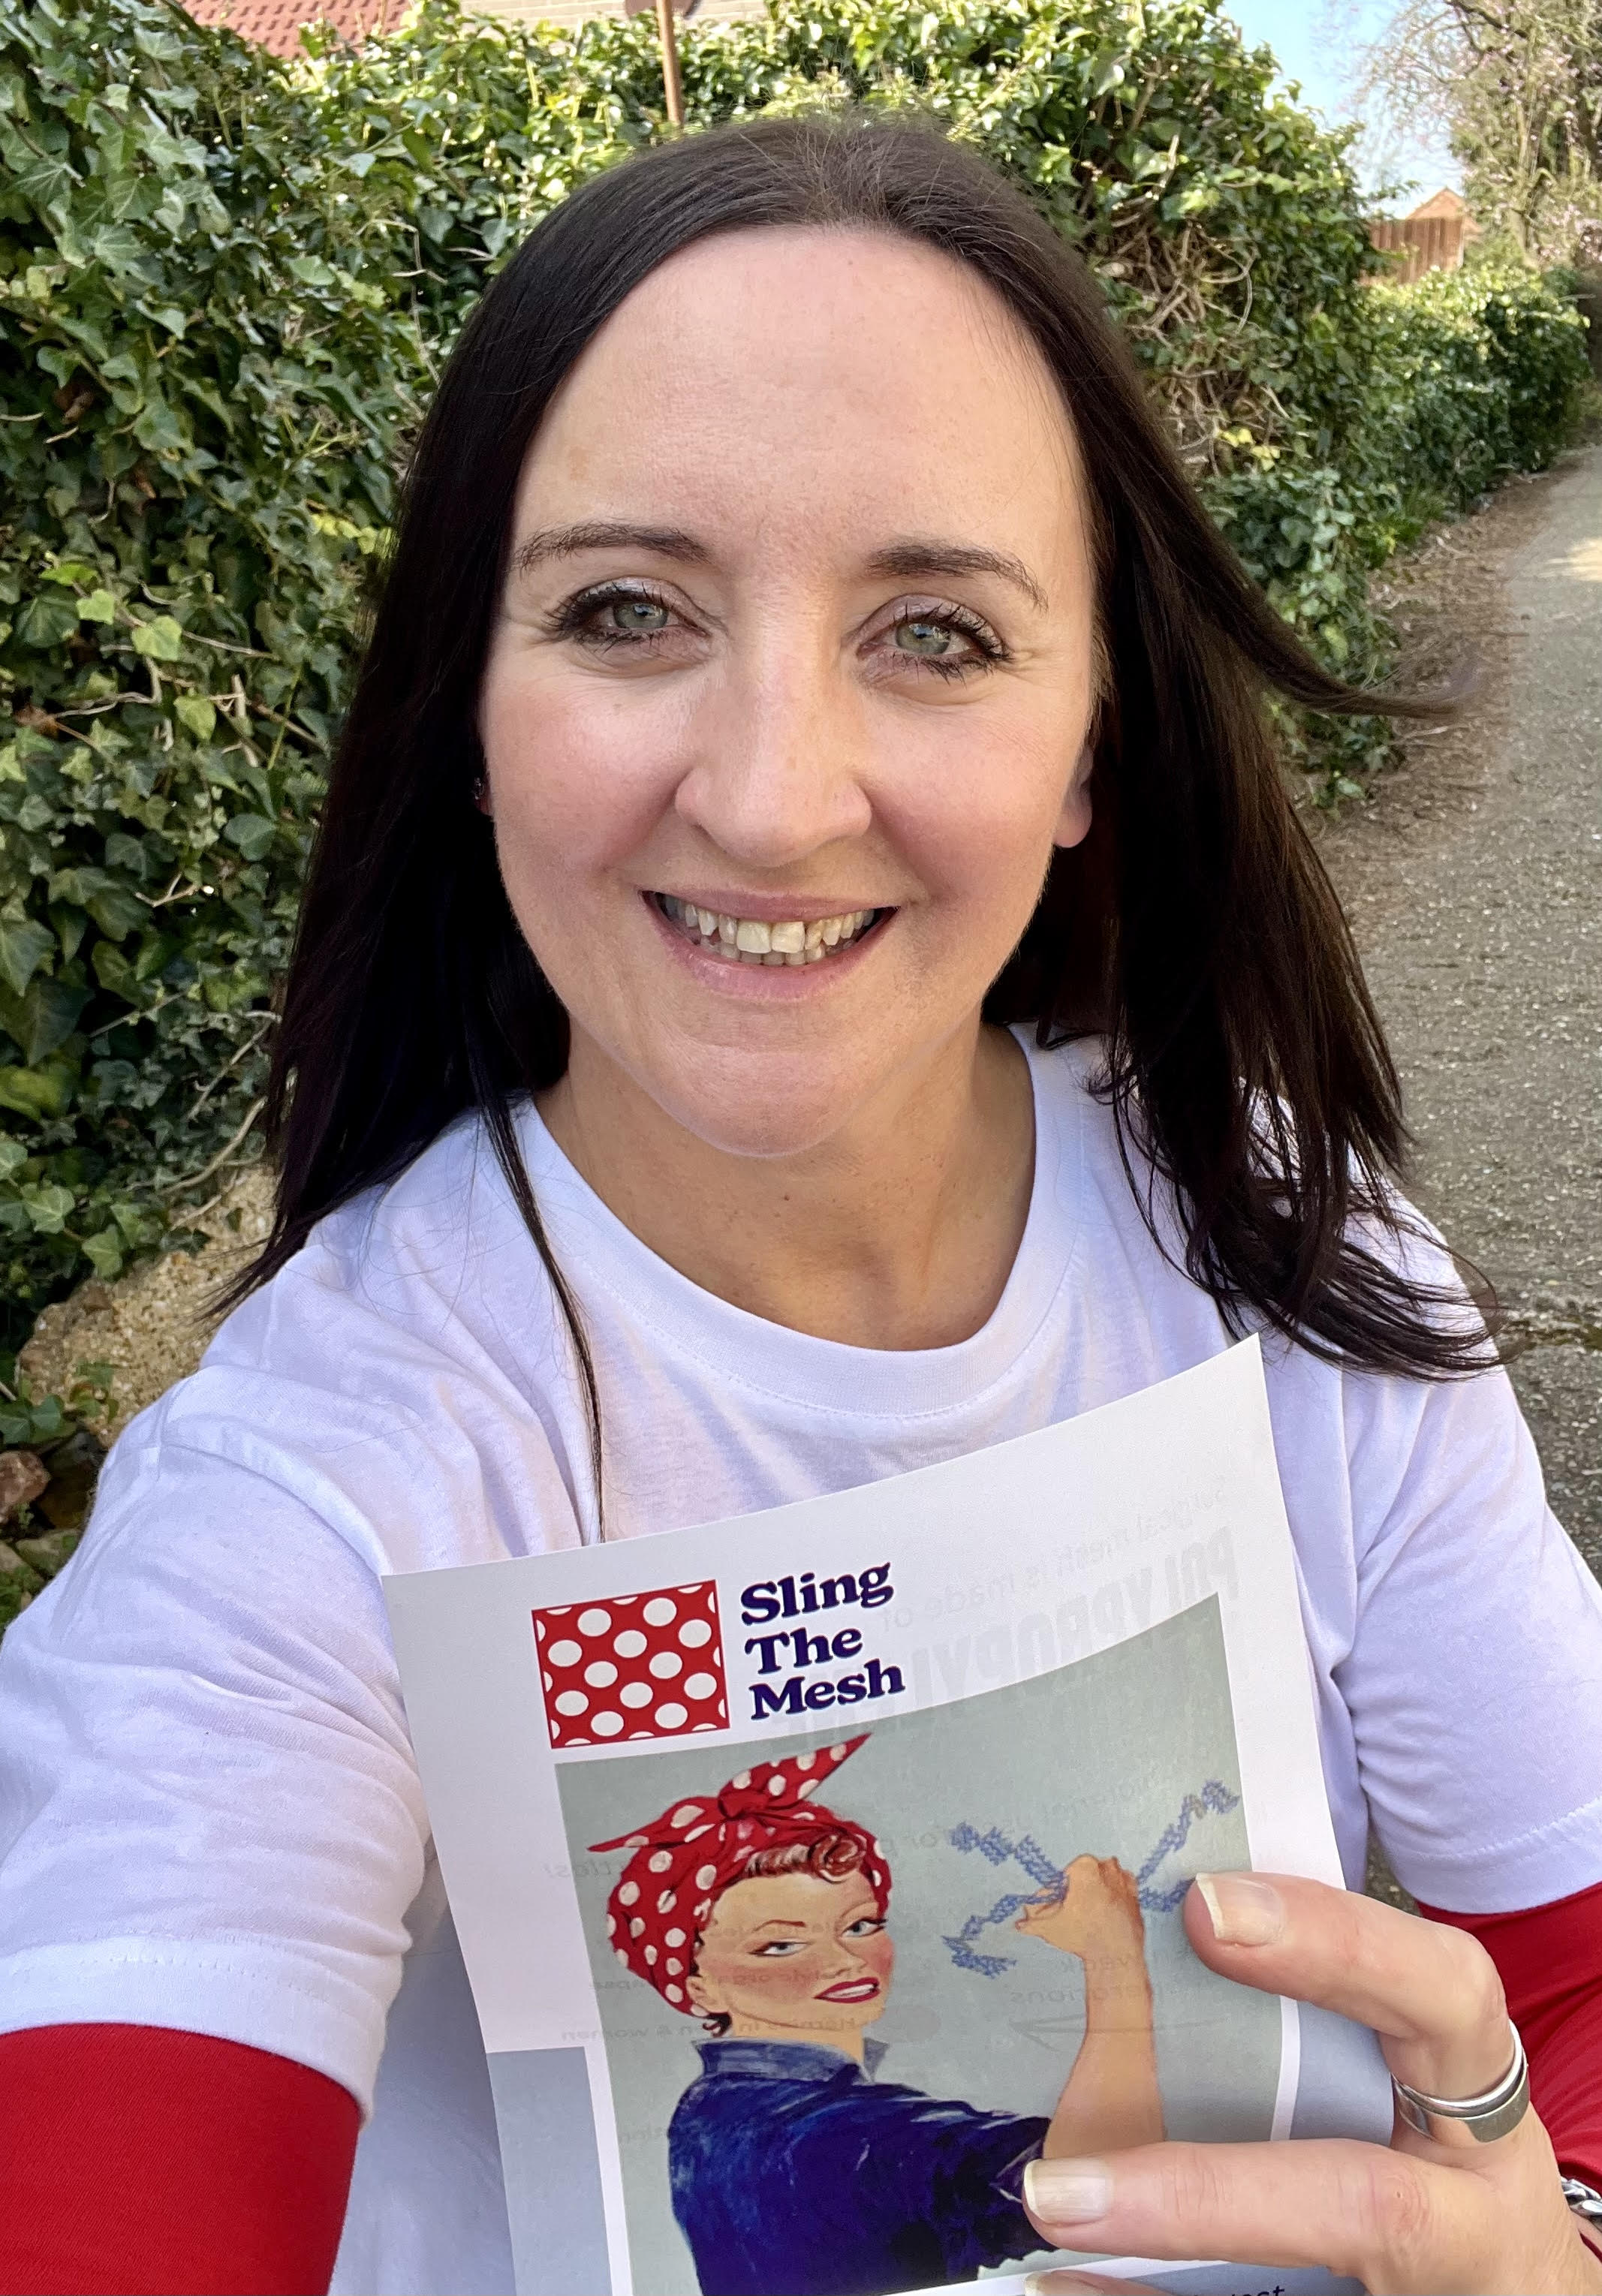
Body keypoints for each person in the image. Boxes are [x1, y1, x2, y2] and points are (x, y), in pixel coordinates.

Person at [0, 111, 1598, 2296]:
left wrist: (1554, 2230)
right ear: (471, 711)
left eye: (935, 630)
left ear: (1092, 738)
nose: (767, 796)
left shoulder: (1283, 1260)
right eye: (625, 610)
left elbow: (1577, 1981)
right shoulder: (315, 1486)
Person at [590, 1734, 1161, 2296]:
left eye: (860, 1925)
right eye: (780, 1945)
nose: (845, 1960)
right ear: (702, 1987)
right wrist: (1113, 1952)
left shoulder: (711, 2105)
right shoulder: (843, 2132)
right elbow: (1097, 2187)